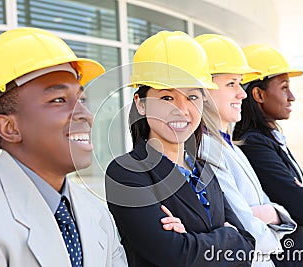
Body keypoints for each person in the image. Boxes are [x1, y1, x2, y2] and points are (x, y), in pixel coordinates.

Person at [0, 27, 127, 267]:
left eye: (81, 100)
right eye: (59, 100)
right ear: (9, 128)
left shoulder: (96, 211)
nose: (85, 114)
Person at [105, 30, 255, 267]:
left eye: (192, 97)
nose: (182, 110)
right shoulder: (126, 173)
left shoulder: (203, 168)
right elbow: (173, 256)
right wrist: (227, 237)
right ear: (140, 104)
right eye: (167, 98)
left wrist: (191, 239)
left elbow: (247, 243)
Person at [195, 34, 297, 267]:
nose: (242, 93)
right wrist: (273, 217)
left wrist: (271, 213)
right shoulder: (205, 150)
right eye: (231, 83)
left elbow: (278, 215)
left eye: (240, 83)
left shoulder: (230, 146)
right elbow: (251, 233)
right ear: (202, 89)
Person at [233, 44, 303, 266]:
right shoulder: (254, 144)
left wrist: (302, 192)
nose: (292, 97)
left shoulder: (268, 140)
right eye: (284, 87)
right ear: (258, 94)